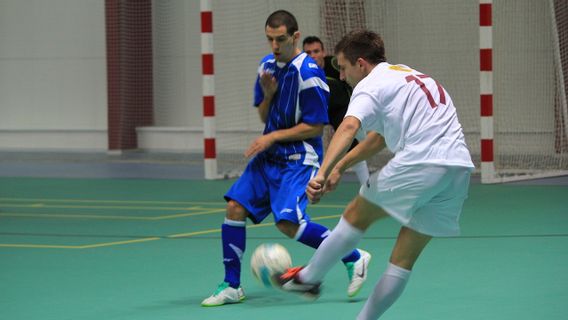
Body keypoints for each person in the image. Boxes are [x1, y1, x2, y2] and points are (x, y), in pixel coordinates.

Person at [275, 29, 475, 320]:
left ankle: (308, 279)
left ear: (360, 63)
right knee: (402, 261)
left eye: (343, 68)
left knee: (357, 214)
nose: (341, 77)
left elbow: (347, 128)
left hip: (421, 161)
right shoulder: (404, 75)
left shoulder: (370, 85)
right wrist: (341, 166)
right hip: (457, 171)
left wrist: (321, 173)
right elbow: (378, 139)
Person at [201, 11, 371, 307]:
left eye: (280, 39)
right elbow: (264, 116)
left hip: (298, 159)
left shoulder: (309, 74)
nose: (274, 45)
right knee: (234, 208)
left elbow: (316, 127)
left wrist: (271, 137)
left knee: (288, 223)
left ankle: (354, 256)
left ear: (294, 37)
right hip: (268, 159)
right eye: (269, 39)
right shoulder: (266, 67)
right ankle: (231, 285)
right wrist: (268, 95)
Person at [302, 36, 370, 185]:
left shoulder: (334, 63)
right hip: (318, 112)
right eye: (308, 53)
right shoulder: (301, 73)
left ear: (323, 52)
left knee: (362, 142)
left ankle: (367, 186)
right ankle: (306, 182)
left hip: (344, 109)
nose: (313, 55)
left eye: (316, 51)